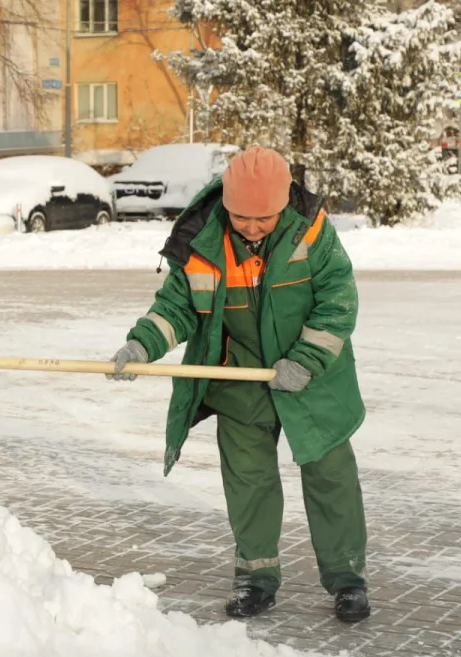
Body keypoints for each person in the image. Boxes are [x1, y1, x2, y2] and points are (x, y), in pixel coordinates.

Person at [106, 146, 370, 622]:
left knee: (331, 477)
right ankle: (256, 577)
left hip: (313, 378)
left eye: (263, 218)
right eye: (241, 217)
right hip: (239, 376)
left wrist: (306, 359)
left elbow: (338, 299)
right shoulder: (204, 243)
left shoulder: (311, 232)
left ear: (283, 203)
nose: (251, 227)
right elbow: (176, 307)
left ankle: (348, 578)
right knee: (249, 482)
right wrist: (140, 345)